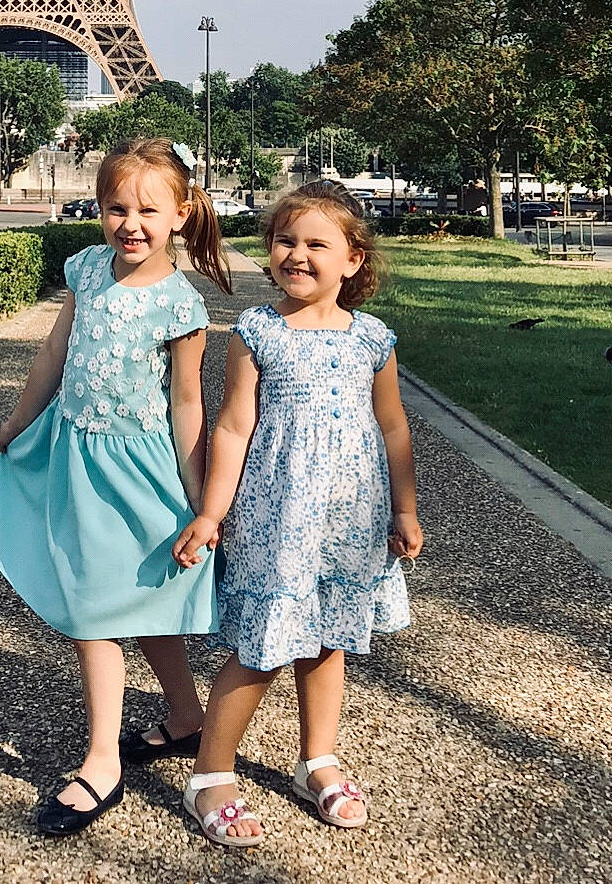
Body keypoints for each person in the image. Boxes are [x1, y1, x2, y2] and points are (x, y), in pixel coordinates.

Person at [0, 138, 233, 837]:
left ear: (182, 213)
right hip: (78, 459)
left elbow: (187, 406)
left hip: (141, 474)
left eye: (148, 209)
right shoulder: (86, 271)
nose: (130, 223)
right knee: (104, 606)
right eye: (116, 207)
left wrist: (201, 502)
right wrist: (18, 422)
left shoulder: (181, 305)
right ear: (98, 210)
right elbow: (54, 352)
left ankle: (102, 763)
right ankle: (182, 719)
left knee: (119, 607)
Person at [173, 180, 424, 848]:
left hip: (349, 521)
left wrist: (405, 508)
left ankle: (318, 759)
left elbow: (393, 428)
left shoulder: (373, 339)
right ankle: (211, 774)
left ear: (354, 259)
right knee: (261, 648)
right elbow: (232, 428)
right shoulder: (258, 332)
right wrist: (211, 513)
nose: (298, 254)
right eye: (286, 240)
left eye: (318, 243)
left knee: (330, 638)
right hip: (276, 519)